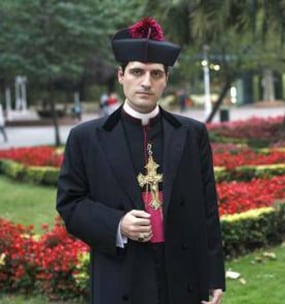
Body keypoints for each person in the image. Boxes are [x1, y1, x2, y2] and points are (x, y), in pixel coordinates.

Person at [57, 17, 225, 304]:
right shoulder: (86, 138)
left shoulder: (191, 133)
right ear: (121, 75)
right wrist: (117, 224)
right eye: (137, 72)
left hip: (181, 272)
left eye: (156, 74)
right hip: (122, 271)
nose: (147, 82)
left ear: (166, 79)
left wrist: (212, 275)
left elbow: (208, 208)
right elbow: (70, 204)